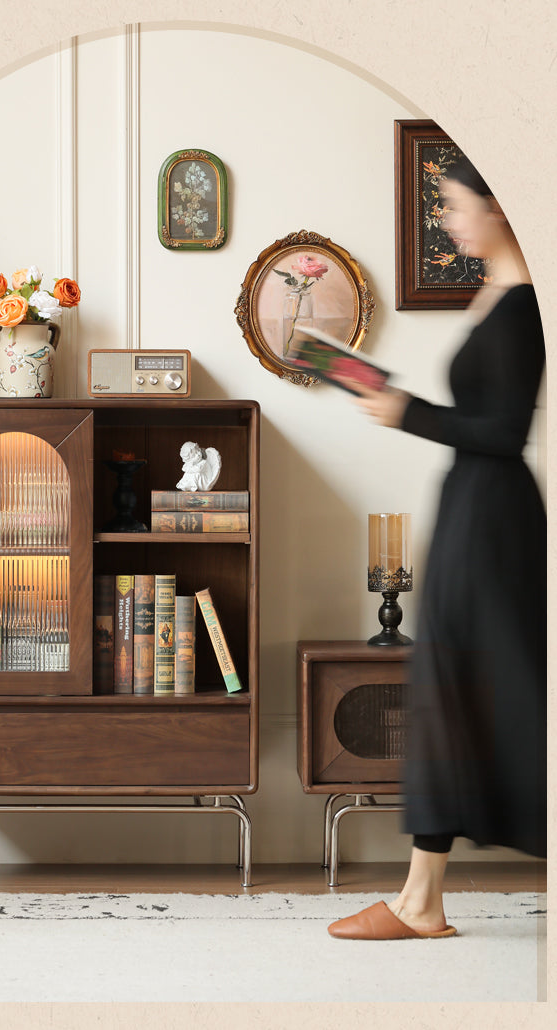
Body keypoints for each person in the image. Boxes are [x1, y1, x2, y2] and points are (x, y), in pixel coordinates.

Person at [327, 155, 546, 941]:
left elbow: (504, 433)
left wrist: (403, 410)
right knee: (452, 691)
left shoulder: (525, 307)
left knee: (499, 694)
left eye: (454, 207)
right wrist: (391, 399)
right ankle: (421, 899)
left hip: (493, 517)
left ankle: (421, 901)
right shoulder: (496, 293)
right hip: (472, 508)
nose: (446, 221)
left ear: (504, 206)